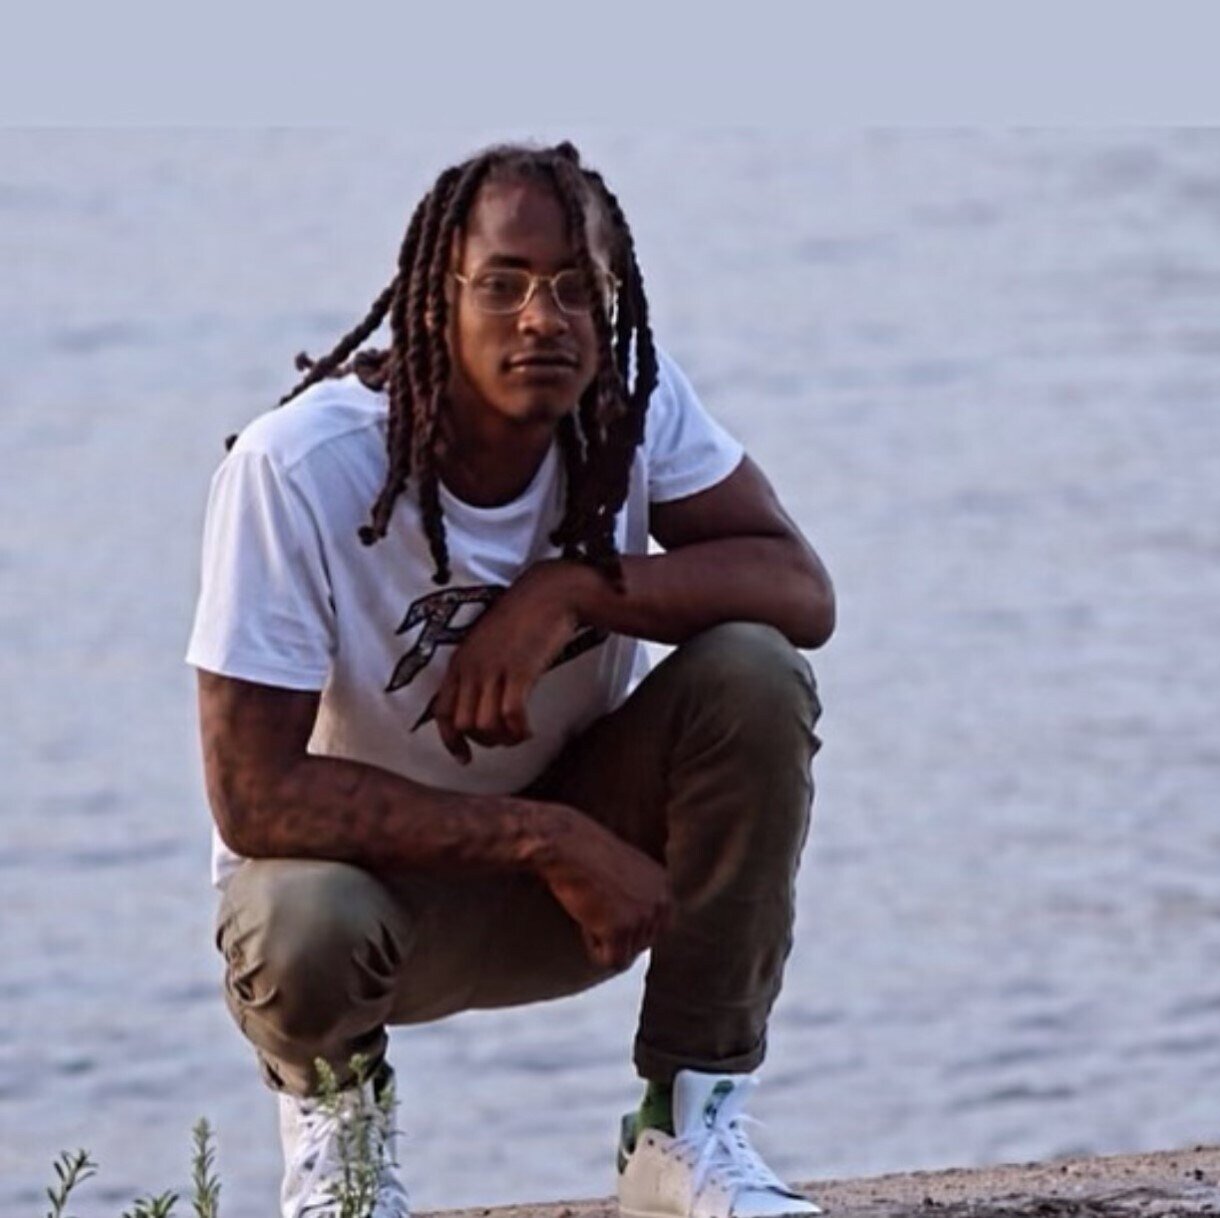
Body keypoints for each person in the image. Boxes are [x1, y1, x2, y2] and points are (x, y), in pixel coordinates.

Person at [187, 140, 836, 1218]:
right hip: (368, 911)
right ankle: (342, 1166)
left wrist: (568, 592)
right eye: (504, 283)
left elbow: (798, 589)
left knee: (756, 675)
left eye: (578, 287)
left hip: (585, 899)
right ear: (436, 301)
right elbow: (253, 797)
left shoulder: (627, 406)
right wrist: (548, 839)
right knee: (297, 916)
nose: (544, 318)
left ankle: (686, 1134)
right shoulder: (294, 467)